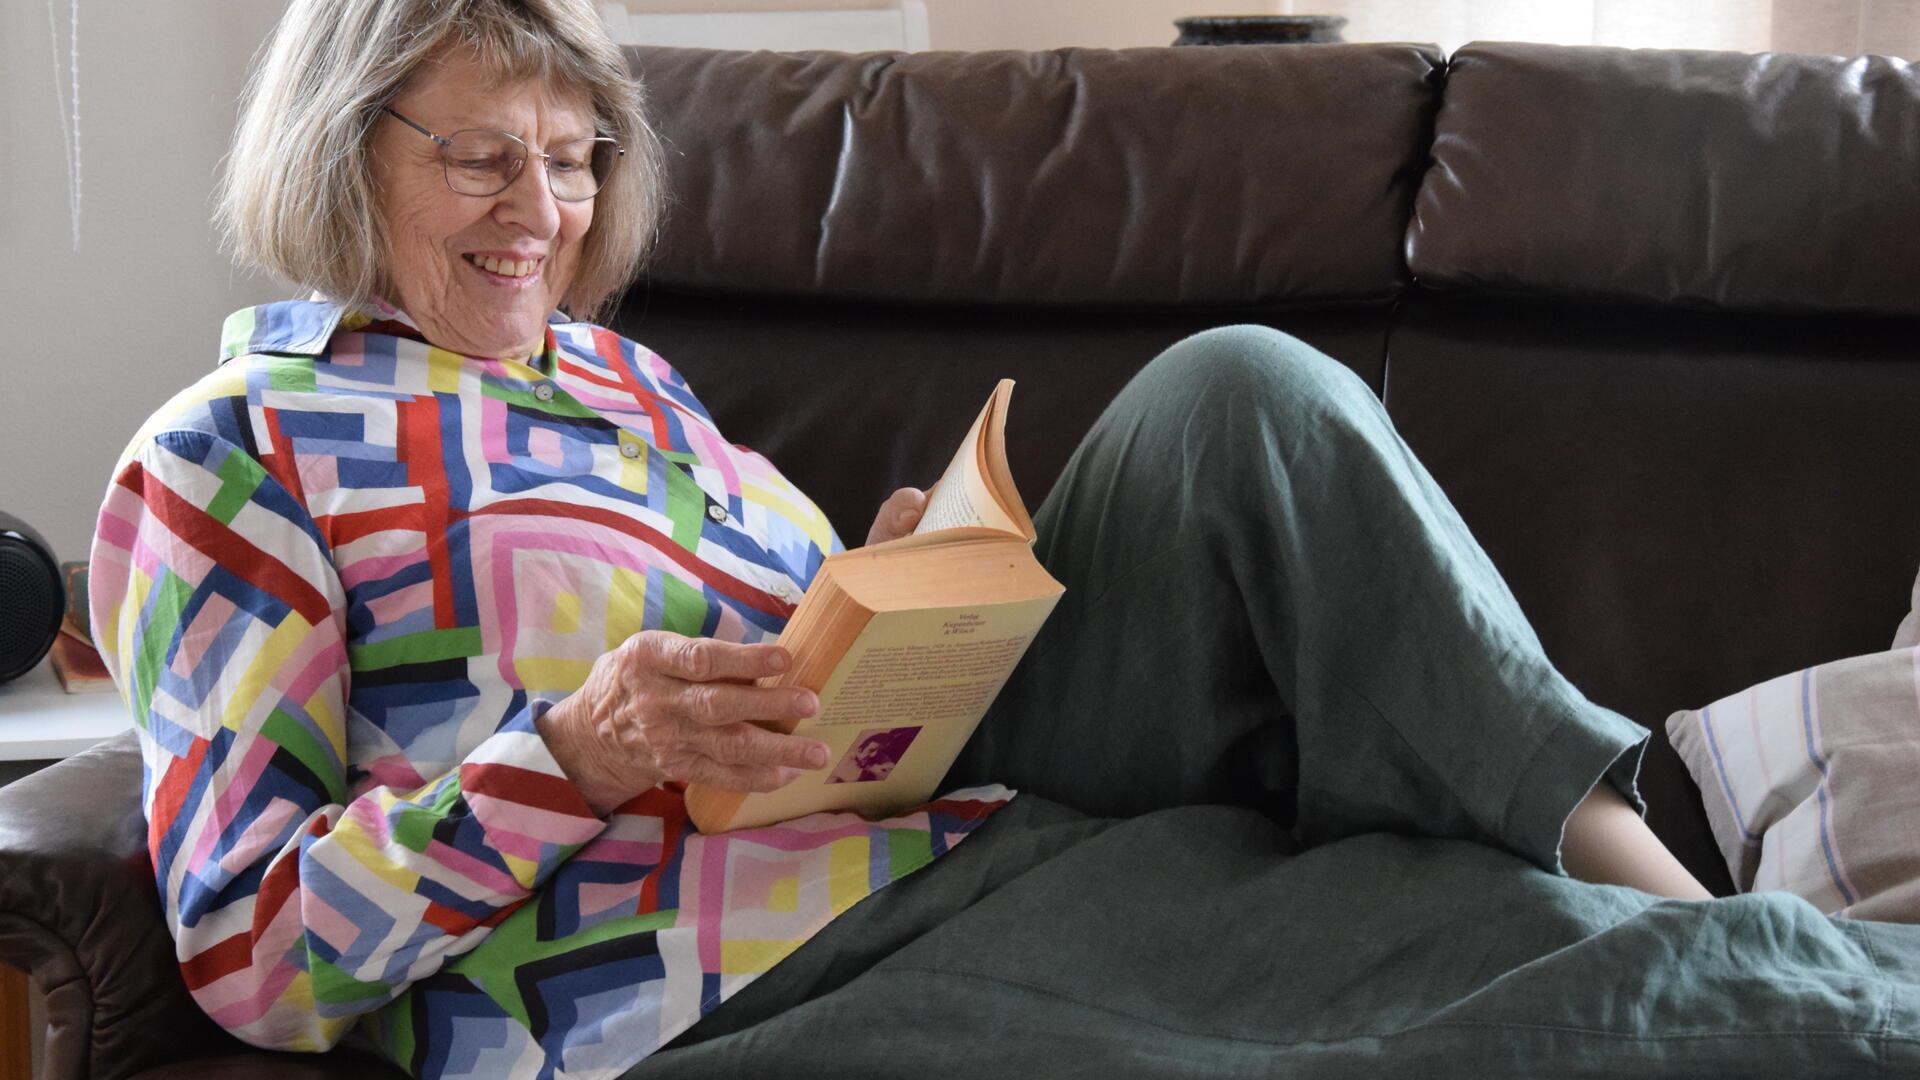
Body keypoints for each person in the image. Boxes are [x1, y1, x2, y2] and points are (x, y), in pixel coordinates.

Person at [101, 2, 1920, 1079]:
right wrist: (576, 754)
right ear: (346, 149)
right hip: (727, 991)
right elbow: (256, 955)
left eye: (576, 158)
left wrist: (877, 591)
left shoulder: (630, 390)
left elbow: (806, 690)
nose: (545, 213)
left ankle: (1703, 895)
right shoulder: (233, 456)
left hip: (965, 819)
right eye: (484, 159)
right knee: (1531, 986)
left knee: (1241, 393)